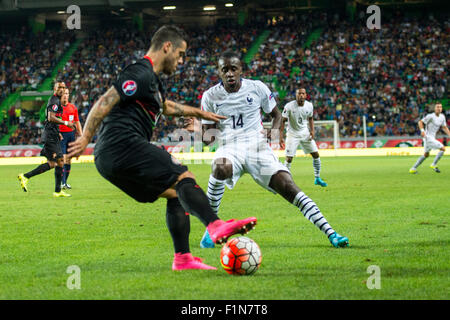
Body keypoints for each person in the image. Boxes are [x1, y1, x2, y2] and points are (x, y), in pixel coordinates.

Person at [67, 25, 257, 271]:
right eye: (180, 54)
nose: (181, 61)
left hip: (110, 159)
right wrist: (85, 138)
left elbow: (165, 107)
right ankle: (215, 225)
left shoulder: (152, 83)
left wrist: (200, 112)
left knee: (178, 193)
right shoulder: (140, 71)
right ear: (167, 47)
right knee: (183, 175)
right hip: (121, 145)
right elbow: (105, 101)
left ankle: (183, 259)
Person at [197, 50, 348, 249]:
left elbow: (276, 115)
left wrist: (275, 132)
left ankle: (331, 233)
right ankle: (211, 229)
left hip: (257, 147)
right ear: (219, 72)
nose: (230, 74)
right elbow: (209, 140)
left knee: (288, 185)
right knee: (219, 168)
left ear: (241, 69)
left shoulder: (257, 88)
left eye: (233, 68)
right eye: (225, 70)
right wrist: (199, 130)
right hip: (230, 147)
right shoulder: (210, 96)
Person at [18, 82, 75, 197]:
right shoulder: (54, 101)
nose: (62, 89)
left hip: (53, 135)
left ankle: (25, 176)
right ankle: (57, 191)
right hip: (50, 137)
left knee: (53, 163)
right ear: (55, 89)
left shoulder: (57, 102)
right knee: (60, 160)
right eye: (59, 87)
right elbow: (50, 117)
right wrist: (65, 123)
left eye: (63, 88)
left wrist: (59, 132)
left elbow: (52, 120)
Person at [280, 88, 327, 187]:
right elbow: (282, 121)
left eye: (303, 93)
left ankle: (317, 178)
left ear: (306, 95)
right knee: (288, 159)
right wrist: (280, 136)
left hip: (305, 133)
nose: (301, 95)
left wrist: (312, 131)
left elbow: (310, 118)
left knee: (316, 154)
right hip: (292, 134)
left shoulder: (309, 106)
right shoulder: (289, 106)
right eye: (299, 94)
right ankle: (286, 182)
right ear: (296, 95)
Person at [410, 103, 449, 174]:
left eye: (440, 107)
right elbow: (420, 122)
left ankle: (413, 168)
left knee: (426, 155)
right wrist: (422, 131)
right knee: (443, 148)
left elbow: (444, 127)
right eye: (437, 107)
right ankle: (433, 164)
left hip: (431, 138)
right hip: (428, 137)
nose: (439, 108)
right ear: (434, 108)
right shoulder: (430, 116)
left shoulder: (442, 117)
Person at [59, 87, 83, 189]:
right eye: (64, 93)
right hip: (61, 136)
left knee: (69, 160)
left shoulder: (73, 108)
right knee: (63, 159)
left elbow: (77, 122)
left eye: (67, 93)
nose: (65, 95)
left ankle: (65, 182)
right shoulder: (57, 108)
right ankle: (62, 183)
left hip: (71, 135)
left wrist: (81, 135)